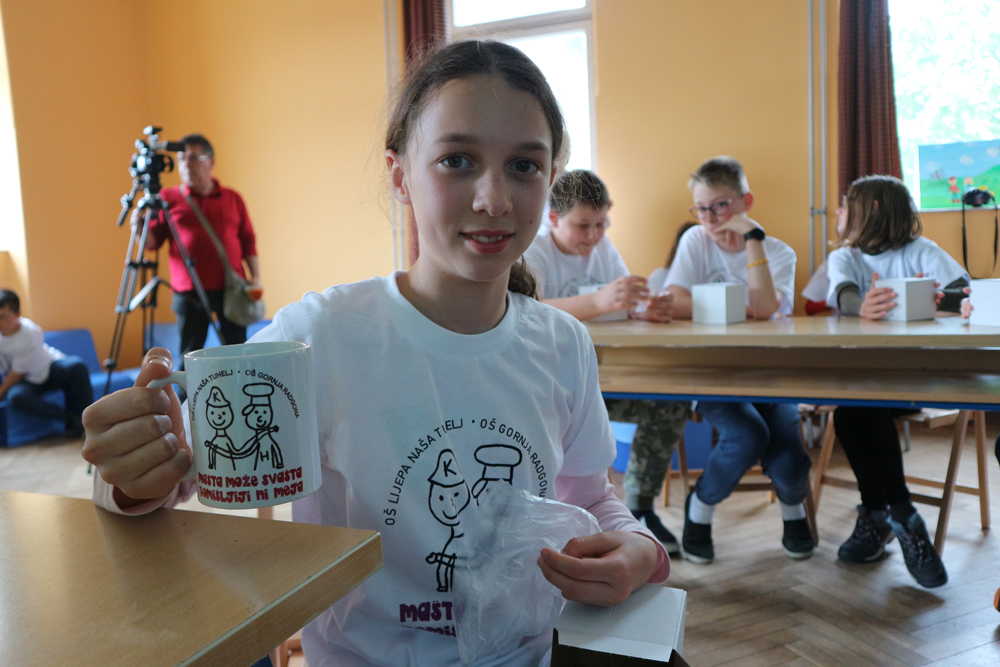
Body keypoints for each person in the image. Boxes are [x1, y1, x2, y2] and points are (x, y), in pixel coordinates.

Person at [82, 40, 669, 667]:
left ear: (550, 181)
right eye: (457, 160)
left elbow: (587, 497)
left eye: (524, 165)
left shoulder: (562, 342)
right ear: (400, 176)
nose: (493, 199)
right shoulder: (320, 336)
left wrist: (639, 548)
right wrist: (132, 472)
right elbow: (178, 475)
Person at [523, 171, 686, 553]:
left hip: (604, 381)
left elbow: (625, 300)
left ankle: (640, 506)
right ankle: (557, 516)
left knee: (669, 403)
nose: (594, 235)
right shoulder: (533, 251)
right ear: (553, 219)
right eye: (583, 225)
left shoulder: (603, 247)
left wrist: (645, 310)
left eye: (601, 224)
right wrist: (598, 302)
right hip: (550, 390)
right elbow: (526, 310)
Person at [665, 156, 814, 564]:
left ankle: (794, 512)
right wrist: (742, 307)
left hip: (771, 373)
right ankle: (700, 509)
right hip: (712, 372)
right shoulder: (695, 241)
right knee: (747, 436)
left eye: (721, 205)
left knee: (790, 461)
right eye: (701, 208)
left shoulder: (778, 251)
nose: (710, 218)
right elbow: (674, 301)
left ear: (745, 202)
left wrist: (753, 240)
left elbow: (766, 307)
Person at [825, 174, 969, 588]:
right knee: (854, 411)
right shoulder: (846, 256)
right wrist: (861, 306)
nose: (838, 212)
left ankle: (877, 516)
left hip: (917, 378)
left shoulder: (921, 251)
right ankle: (902, 515)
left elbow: (964, 292)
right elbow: (843, 295)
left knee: (856, 410)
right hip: (865, 379)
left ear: (871, 210)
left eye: (846, 204)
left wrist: (943, 300)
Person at [144, 133, 262, 365]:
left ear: (211, 161)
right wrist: (139, 229)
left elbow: (248, 239)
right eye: (181, 159)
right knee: (190, 356)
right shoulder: (167, 198)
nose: (186, 164)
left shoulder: (232, 197)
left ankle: (240, 388)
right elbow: (151, 243)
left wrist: (255, 278)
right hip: (188, 292)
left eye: (194, 157)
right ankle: (187, 391)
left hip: (231, 287)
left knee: (239, 353)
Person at [0, 289, 93, 436]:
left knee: (77, 366)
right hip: (26, 381)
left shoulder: (31, 332)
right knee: (17, 397)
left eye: (2, 317)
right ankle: (70, 419)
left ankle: (91, 422)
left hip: (48, 368)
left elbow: (16, 373)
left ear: (18, 314)